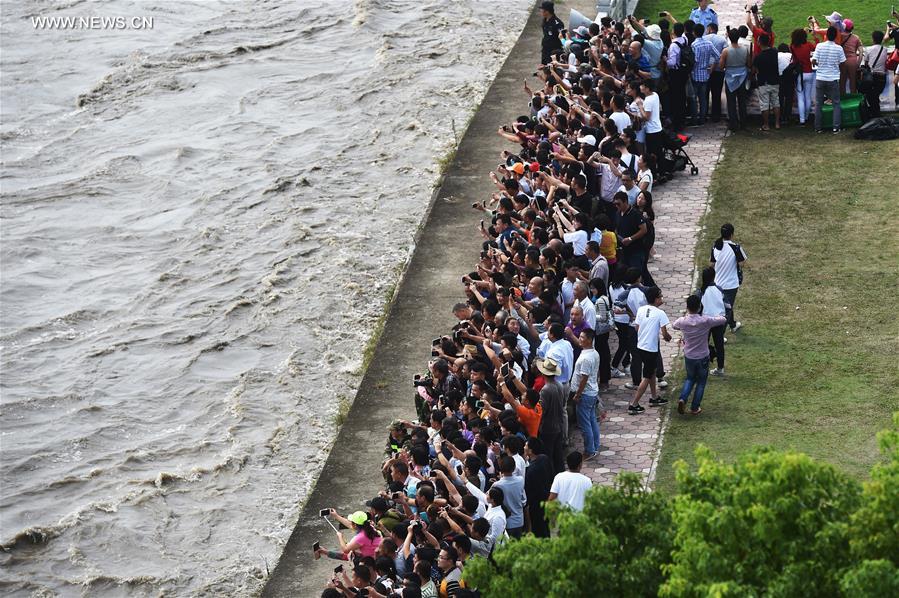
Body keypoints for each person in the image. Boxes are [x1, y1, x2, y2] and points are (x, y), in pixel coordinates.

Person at [672, 295, 727, 415]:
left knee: (690, 378)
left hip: (689, 356)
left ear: (687, 307)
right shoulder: (705, 320)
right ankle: (694, 407)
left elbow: (674, 325)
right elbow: (722, 320)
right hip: (703, 356)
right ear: (699, 307)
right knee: (701, 382)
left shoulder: (683, 321)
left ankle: (683, 398)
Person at [628, 286, 671, 415]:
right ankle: (634, 404)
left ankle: (654, 397)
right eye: (660, 296)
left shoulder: (641, 310)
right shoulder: (660, 313)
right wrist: (669, 338)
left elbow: (637, 328)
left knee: (651, 371)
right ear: (656, 299)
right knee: (646, 377)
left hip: (640, 346)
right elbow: (665, 334)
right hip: (651, 349)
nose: (662, 299)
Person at [710, 223, 746, 333]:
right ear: (731, 234)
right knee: (727, 310)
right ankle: (720, 335)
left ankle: (733, 324)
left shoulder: (715, 247)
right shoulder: (735, 248)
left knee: (726, 306)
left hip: (717, 284)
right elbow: (742, 263)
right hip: (730, 285)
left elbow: (711, 264)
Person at [571, 329, 601, 460]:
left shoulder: (587, 358)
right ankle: (595, 446)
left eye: (582, 337)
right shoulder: (593, 353)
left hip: (585, 394)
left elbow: (584, 378)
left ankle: (589, 450)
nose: (580, 339)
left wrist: (578, 394)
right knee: (592, 420)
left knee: (585, 424)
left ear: (589, 340)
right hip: (592, 392)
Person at [812, 26, 846, 134]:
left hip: (820, 78)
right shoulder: (838, 48)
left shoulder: (819, 46)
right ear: (836, 36)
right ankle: (836, 127)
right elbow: (842, 62)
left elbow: (813, 61)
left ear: (826, 35)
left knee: (818, 103)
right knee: (836, 103)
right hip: (833, 78)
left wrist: (819, 64)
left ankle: (818, 127)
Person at [536, 357, 565, 474]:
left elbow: (542, 412)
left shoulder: (545, 390)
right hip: (559, 424)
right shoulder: (559, 385)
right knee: (558, 454)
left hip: (548, 428)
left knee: (548, 455)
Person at [698, 266, 727, 377]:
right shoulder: (719, 289)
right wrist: (725, 318)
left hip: (705, 322)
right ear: (714, 277)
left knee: (703, 345)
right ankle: (720, 368)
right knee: (719, 345)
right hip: (718, 321)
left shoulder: (700, 292)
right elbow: (728, 306)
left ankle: (702, 367)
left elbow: (698, 309)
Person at [720, 27, 750, 131]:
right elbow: (748, 63)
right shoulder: (745, 49)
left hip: (730, 78)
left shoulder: (726, 51)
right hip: (742, 77)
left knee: (731, 102)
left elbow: (721, 66)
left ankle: (733, 124)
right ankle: (744, 123)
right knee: (742, 101)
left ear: (729, 37)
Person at [691, 23, 720, 126]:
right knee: (703, 98)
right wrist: (712, 67)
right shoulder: (708, 43)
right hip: (705, 74)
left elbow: (695, 61)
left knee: (694, 99)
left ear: (694, 33)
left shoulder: (694, 45)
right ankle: (703, 119)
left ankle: (694, 119)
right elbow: (717, 56)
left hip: (695, 74)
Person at [753, 34, 781, 131]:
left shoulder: (758, 57)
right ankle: (777, 123)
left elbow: (754, 70)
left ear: (759, 42)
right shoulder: (775, 52)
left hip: (763, 82)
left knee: (764, 104)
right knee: (776, 102)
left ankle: (766, 125)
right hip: (775, 81)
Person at [666, 22, 691, 131]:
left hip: (675, 73)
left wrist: (664, 60)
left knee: (675, 97)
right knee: (682, 95)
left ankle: (677, 122)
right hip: (684, 71)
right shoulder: (685, 40)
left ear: (673, 32)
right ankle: (683, 118)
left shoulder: (673, 45)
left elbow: (672, 63)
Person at [790, 28, 817, 126]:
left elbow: (794, 61)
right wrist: (814, 36)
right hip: (809, 72)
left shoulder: (793, 46)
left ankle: (802, 120)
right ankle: (806, 117)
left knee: (801, 98)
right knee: (808, 97)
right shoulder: (809, 45)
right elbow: (816, 46)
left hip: (799, 74)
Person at [861, 31, 889, 117]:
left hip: (872, 78)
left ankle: (875, 116)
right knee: (874, 96)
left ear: (873, 39)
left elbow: (865, 63)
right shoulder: (885, 50)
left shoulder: (868, 49)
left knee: (871, 96)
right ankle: (876, 115)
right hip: (882, 78)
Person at [704, 23, 728, 122]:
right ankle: (716, 116)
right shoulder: (722, 40)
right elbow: (725, 53)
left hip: (705, 70)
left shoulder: (704, 39)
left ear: (709, 29)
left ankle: (704, 114)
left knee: (704, 94)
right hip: (718, 70)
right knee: (716, 93)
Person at [839, 19, 862, 94]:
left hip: (842, 61)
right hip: (853, 61)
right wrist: (858, 63)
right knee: (853, 82)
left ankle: (843, 100)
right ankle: (854, 100)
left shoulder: (839, 36)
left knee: (842, 82)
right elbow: (861, 52)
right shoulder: (856, 37)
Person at [540, 1, 565, 66]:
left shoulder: (558, 24)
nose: (541, 11)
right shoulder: (545, 20)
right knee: (544, 66)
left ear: (547, 11)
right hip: (545, 49)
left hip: (553, 50)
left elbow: (562, 37)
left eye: (542, 10)